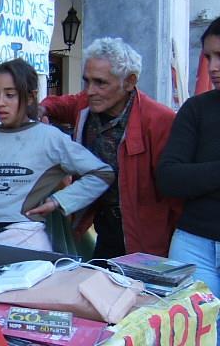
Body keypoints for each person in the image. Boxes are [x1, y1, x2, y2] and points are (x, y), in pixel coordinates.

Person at [40, 38, 182, 258]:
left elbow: (175, 194)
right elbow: (60, 104)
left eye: (100, 83)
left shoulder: (159, 121)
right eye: (87, 81)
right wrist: (41, 109)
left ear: (130, 81)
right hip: (103, 225)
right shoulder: (86, 104)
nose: (90, 91)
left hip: (144, 236)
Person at [0, 58, 114, 251]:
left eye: (10, 95)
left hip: (26, 240)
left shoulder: (49, 138)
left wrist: (58, 201)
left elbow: (102, 173)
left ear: (30, 97)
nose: (0, 103)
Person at [157, 17, 220, 297]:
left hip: (193, 239)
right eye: (208, 57)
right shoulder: (196, 109)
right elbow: (169, 178)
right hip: (194, 243)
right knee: (193, 325)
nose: (212, 67)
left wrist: (200, 176)